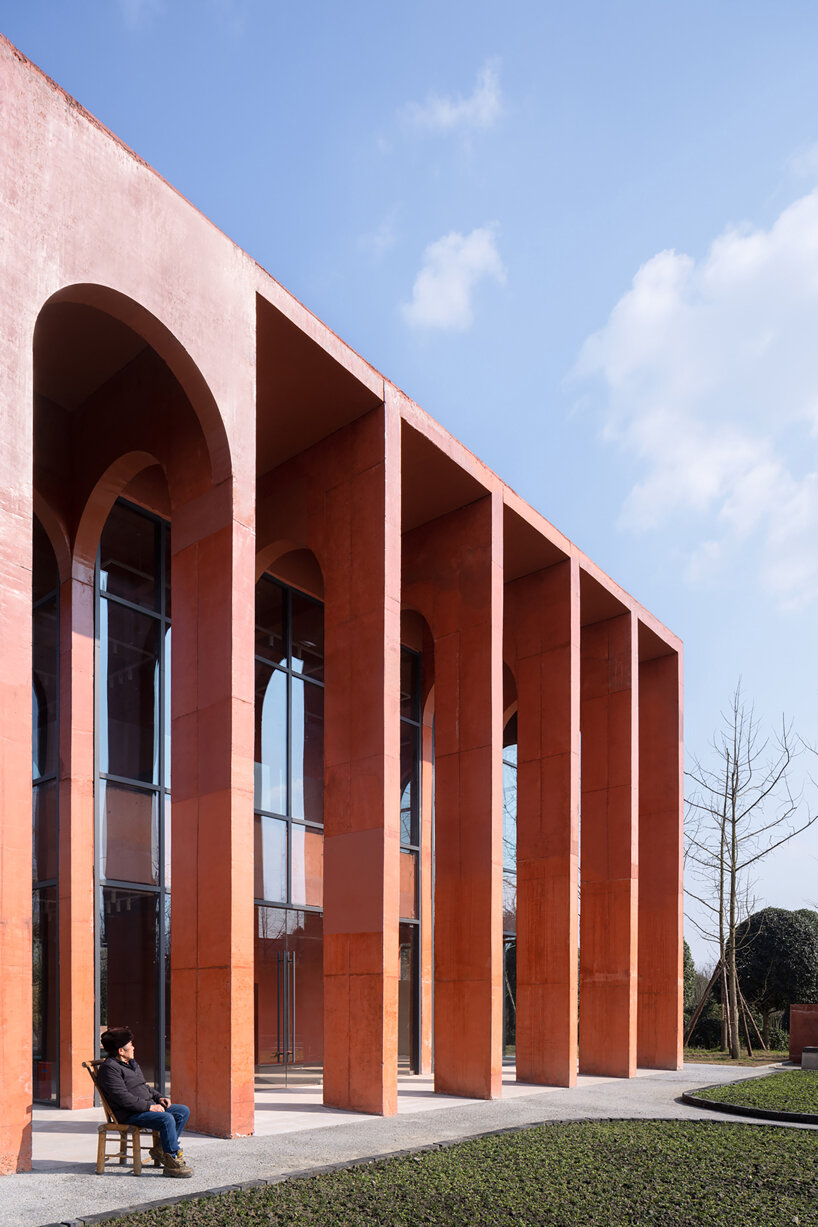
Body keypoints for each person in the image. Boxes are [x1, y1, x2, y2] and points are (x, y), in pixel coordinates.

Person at [96, 1027, 194, 1178]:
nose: (133, 1047)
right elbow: (122, 1098)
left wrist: (159, 1098)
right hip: (129, 1114)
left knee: (182, 1111)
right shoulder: (109, 1069)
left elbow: (143, 1086)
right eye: (130, 1044)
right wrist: (149, 1107)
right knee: (166, 1118)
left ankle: (161, 1150)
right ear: (121, 1051)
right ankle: (172, 1163)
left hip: (143, 1108)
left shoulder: (131, 1063)